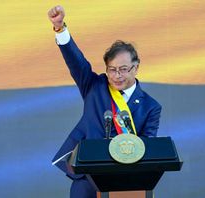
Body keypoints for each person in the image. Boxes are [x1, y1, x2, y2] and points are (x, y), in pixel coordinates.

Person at [48, 5, 162, 198]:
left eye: (123, 69)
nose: (117, 76)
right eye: (112, 69)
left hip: (127, 178)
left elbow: (146, 147)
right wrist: (60, 28)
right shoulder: (95, 87)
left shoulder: (151, 107)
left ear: (136, 68)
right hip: (87, 176)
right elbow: (76, 61)